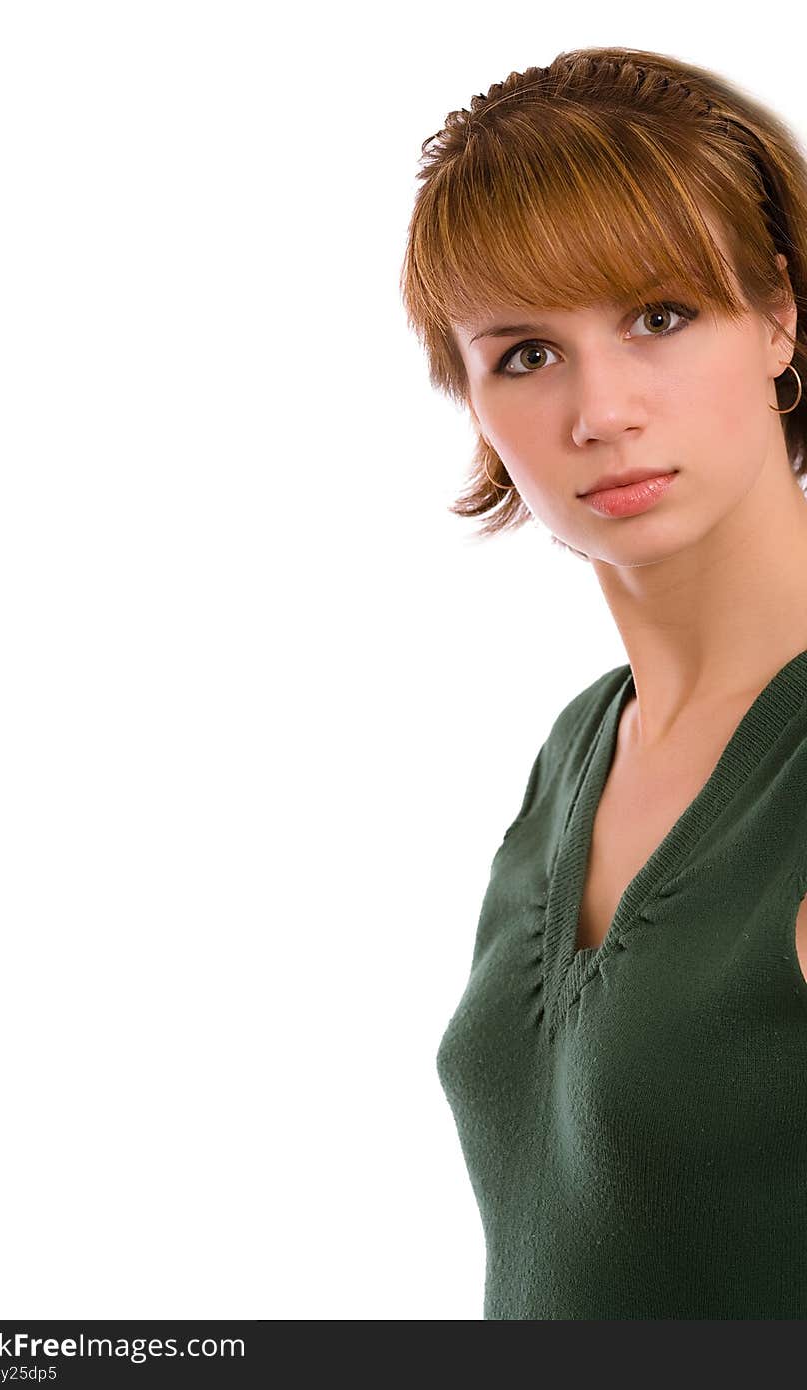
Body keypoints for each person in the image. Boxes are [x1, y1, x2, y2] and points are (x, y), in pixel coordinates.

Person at [400, 46, 807, 1319]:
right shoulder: (583, 746)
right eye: (524, 353)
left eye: (660, 317)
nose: (600, 410)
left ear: (781, 316)